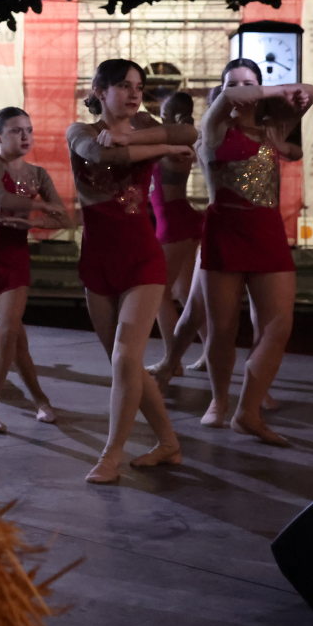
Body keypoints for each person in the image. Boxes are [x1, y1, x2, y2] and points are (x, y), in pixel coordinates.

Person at [68, 58, 192, 483]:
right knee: (127, 366)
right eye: (123, 85)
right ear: (99, 90)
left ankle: (111, 455)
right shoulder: (79, 131)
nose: (135, 93)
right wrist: (162, 148)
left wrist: (137, 136)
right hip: (97, 260)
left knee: (125, 358)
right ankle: (169, 444)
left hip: (142, 257)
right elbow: (100, 154)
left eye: (139, 86)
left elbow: (188, 133)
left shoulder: (143, 126)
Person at [197, 57, 313, 446]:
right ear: (222, 89)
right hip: (225, 230)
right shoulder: (214, 126)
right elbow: (230, 98)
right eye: (233, 83)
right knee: (223, 329)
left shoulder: (272, 129)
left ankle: (247, 410)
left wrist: (279, 94)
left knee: (278, 325)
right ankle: (219, 400)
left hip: (267, 231)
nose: (241, 90)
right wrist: (272, 90)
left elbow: (312, 91)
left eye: (249, 83)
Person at [0, 107, 71, 434]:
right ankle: (40, 400)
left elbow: (64, 218)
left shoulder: (38, 174)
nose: (25, 136)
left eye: (28, 130)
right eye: (16, 130)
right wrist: (41, 206)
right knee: (15, 339)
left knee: (6, 332)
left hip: (14, 256)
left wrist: (33, 222)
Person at [147, 91, 207, 387]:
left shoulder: (175, 146)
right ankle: (209, 352)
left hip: (173, 223)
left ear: (167, 116)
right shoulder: (176, 144)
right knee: (184, 292)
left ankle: (172, 361)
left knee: (158, 291)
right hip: (182, 219)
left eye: (163, 114)